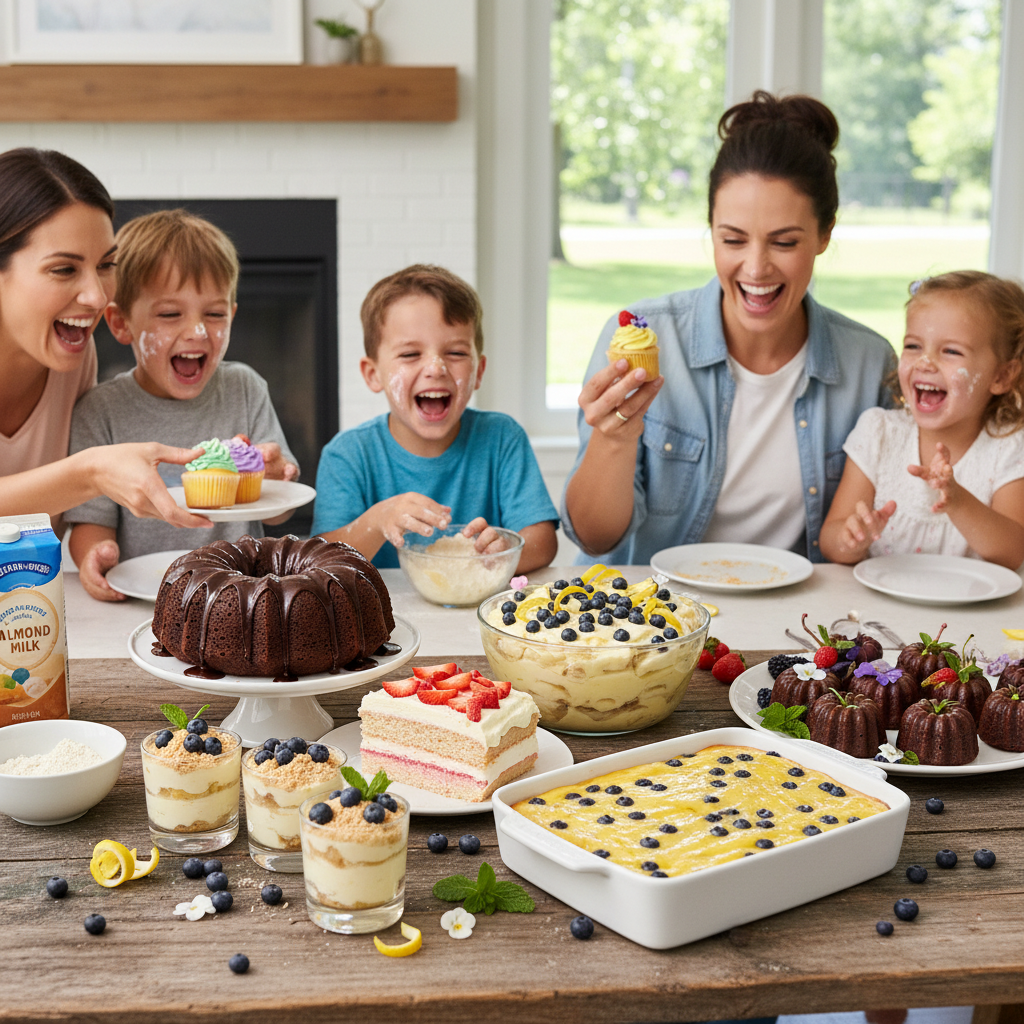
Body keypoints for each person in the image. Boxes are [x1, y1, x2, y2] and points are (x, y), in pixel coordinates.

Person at [561, 92, 897, 566]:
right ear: (711, 228)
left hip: (789, 624)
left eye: (784, 242)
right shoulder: (648, 339)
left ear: (824, 234)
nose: (756, 268)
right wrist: (613, 438)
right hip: (650, 620)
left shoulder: (869, 365)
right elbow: (595, 540)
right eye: (732, 239)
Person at [65, 208, 299, 601]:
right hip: (148, 596)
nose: (197, 331)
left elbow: (280, 512)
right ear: (121, 323)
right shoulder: (100, 411)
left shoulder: (244, 387)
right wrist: (94, 555)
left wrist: (274, 477)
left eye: (215, 313)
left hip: (238, 592)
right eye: (171, 314)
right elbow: (91, 523)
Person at [0, 147, 211, 535]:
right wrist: (91, 472)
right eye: (64, 269)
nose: (98, 297)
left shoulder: (74, 355)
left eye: (105, 266)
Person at [311, 264, 558, 573]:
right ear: (373, 374)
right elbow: (322, 560)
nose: (436, 367)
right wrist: (376, 522)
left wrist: (506, 550)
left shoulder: (502, 438)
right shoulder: (347, 454)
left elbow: (543, 541)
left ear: (478, 372)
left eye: (455, 353)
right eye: (410, 354)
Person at [820, 271, 1024, 569]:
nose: (924, 362)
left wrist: (957, 502)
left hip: (975, 614)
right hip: (881, 609)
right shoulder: (879, 433)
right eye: (913, 346)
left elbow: (1012, 552)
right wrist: (851, 538)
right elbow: (830, 540)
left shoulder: (1009, 447)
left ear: (1001, 376)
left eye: (951, 351)